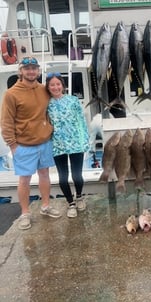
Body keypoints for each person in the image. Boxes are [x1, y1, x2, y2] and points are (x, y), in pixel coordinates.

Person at [1, 57, 61, 230]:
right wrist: (12, 145)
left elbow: (54, 104)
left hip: (44, 142)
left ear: (38, 71)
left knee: (44, 175)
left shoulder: (44, 89)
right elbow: (6, 121)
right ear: (21, 71)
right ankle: (25, 213)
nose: (31, 71)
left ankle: (45, 206)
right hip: (23, 145)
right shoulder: (11, 94)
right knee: (24, 180)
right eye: (27, 68)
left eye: (34, 68)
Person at [45, 73, 90, 218]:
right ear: (48, 87)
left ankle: (79, 196)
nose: (55, 87)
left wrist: (85, 140)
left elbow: (81, 122)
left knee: (77, 175)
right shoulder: (46, 104)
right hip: (58, 145)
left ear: (63, 85)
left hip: (76, 143)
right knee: (62, 178)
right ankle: (70, 203)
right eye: (52, 85)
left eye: (58, 84)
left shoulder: (73, 100)